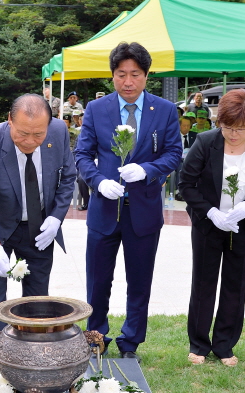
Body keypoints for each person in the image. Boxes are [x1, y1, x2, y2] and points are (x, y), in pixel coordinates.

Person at [75, 42, 182, 360]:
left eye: (135, 74)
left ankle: (131, 341)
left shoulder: (163, 110)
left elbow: (173, 153)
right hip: (104, 209)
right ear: (112, 76)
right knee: (97, 280)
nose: (128, 81)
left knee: (139, 280)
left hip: (144, 211)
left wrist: (147, 170)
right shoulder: (97, 109)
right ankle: (96, 337)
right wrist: (98, 181)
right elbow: (82, 154)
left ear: (146, 75)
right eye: (121, 74)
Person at [178, 89, 245, 367]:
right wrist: (211, 212)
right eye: (227, 127)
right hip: (208, 225)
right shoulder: (205, 142)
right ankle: (198, 343)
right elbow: (185, 185)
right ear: (218, 121)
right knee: (203, 282)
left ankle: (224, 344)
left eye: (242, 129)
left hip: (244, 226)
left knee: (236, 284)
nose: (234, 134)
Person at [0, 93, 76, 335]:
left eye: (38, 134)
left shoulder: (58, 132)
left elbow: (68, 177)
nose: (29, 141)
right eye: (23, 134)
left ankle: (32, 352)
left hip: (40, 225)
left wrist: (56, 218)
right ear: (9, 121)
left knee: (38, 298)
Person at [174, 116, 197, 202]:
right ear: (179, 126)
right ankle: (179, 191)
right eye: (184, 125)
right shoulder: (174, 136)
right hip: (178, 159)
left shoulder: (195, 136)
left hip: (192, 160)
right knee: (181, 166)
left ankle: (191, 191)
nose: (186, 127)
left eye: (188, 125)